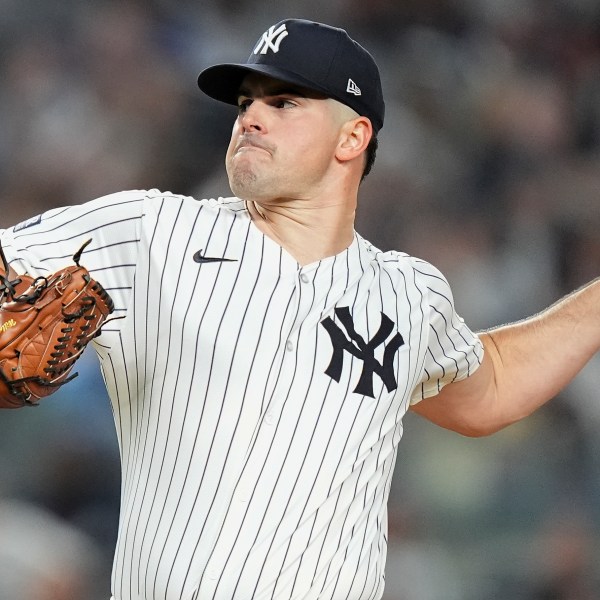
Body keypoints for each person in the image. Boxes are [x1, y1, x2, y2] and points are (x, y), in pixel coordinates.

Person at [0, 17, 598, 600]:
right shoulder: (150, 233)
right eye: (245, 103)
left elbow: (489, 389)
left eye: (283, 103)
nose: (250, 117)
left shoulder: (409, 295)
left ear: (352, 137)